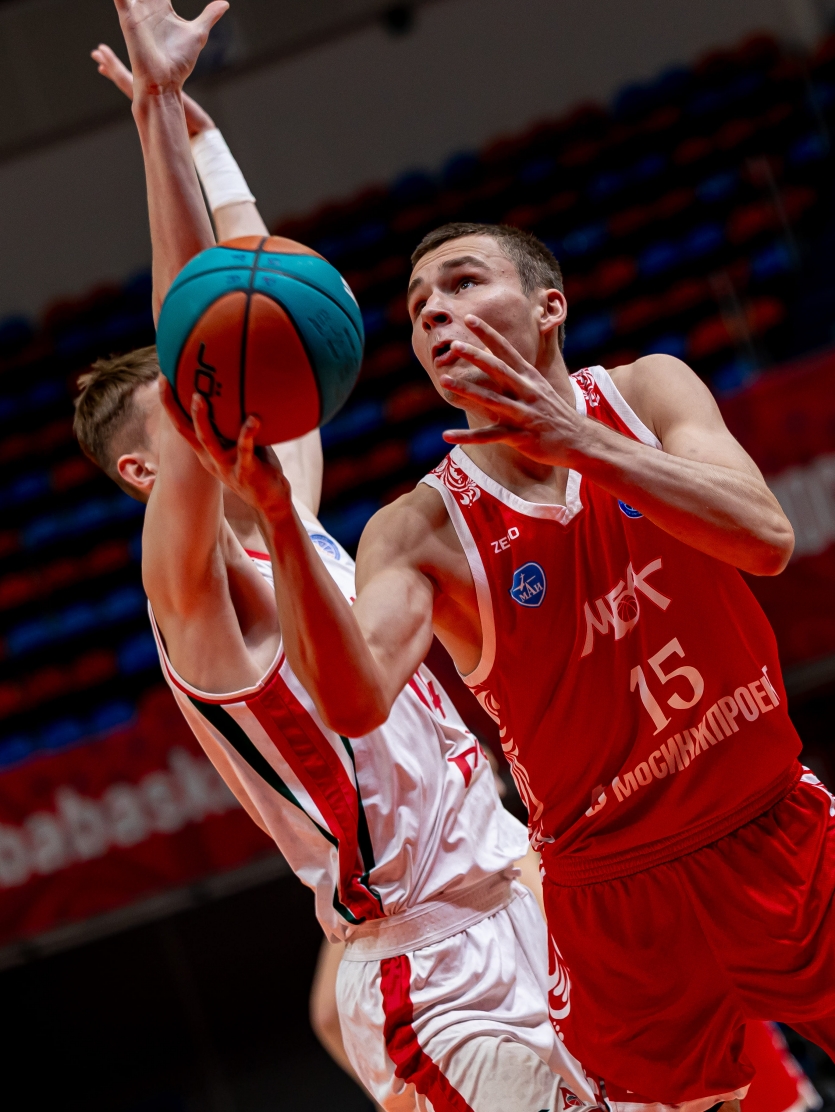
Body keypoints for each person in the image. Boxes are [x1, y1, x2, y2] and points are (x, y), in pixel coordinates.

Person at [76, 5, 603, 1110]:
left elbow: (252, 291)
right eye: (198, 393)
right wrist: (153, 120)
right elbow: (200, 331)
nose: (227, 394)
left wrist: (203, 137)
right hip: (434, 975)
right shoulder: (197, 602)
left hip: (530, 891)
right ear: (143, 470)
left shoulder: (296, 522)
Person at [202, 208, 835, 1104]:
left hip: (772, 827)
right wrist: (277, 521)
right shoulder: (416, 528)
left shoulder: (647, 392)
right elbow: (351, 703)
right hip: (614, 899)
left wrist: (580, 443)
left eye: (463, 282)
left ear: (548, 307)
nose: (432, 310)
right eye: (416, 306)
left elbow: (764, 537)